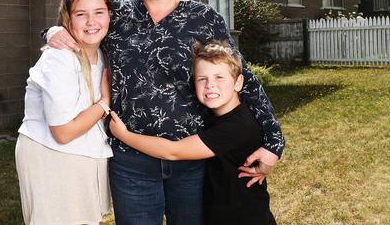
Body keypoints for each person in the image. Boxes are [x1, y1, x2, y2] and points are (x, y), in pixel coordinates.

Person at [46, 0, 285, 225]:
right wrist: (53, 31)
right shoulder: (116, 15)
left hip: (192, 162)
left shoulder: (203, 18)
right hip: (130, 162)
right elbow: (79, 23)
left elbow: (243, 78)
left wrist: (274, 143)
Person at [109, 40, 277, 225]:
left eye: (219, 77)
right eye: (202, 79)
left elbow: (173, 151)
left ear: (238, 83)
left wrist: (124, 135)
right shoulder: (219, 114)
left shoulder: (237, 126)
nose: (210, 85)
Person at [15, 0, 116, 225]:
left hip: (82, 156)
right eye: (81, 14)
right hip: (51, 156)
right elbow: (63, 132)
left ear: (110, 15)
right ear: (68, 19)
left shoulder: (103, 53)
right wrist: (105, 102)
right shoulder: (59, 58)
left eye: (99, 12)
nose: (91, 21)